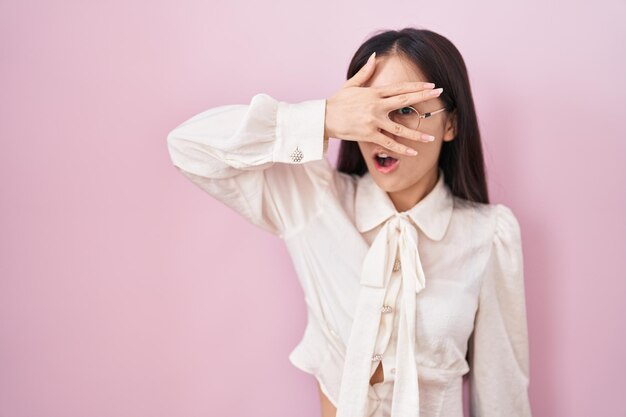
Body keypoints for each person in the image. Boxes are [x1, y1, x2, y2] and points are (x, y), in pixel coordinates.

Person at [166, 27, 532, 417]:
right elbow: (188, 146)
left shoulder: (488, 235)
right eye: (369, 110)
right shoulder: (315, 202)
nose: (381, 130)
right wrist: (322, 117)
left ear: (450, 124)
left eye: (405, 109)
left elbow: (501, 396)